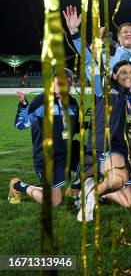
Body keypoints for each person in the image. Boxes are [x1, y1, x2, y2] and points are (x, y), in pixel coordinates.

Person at [80, 60, 131, 222]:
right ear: (114, 75)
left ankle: (97, 189)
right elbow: (90, 61)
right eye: (123, 72)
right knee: (118, 179)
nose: (128, 75)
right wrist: (76, 35)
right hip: (113, 147)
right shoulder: (106, 90)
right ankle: (89, 199)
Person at [9, 69, 78, 207]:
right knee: (54, 201)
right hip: (47, 157)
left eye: (68, 82)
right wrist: (23, 106)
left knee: (94, 158)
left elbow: (73, 128)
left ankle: (77, 187)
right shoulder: (42, 100)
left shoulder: (72, 103)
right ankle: (17, 185)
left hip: (65, 153)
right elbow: (21, 124)